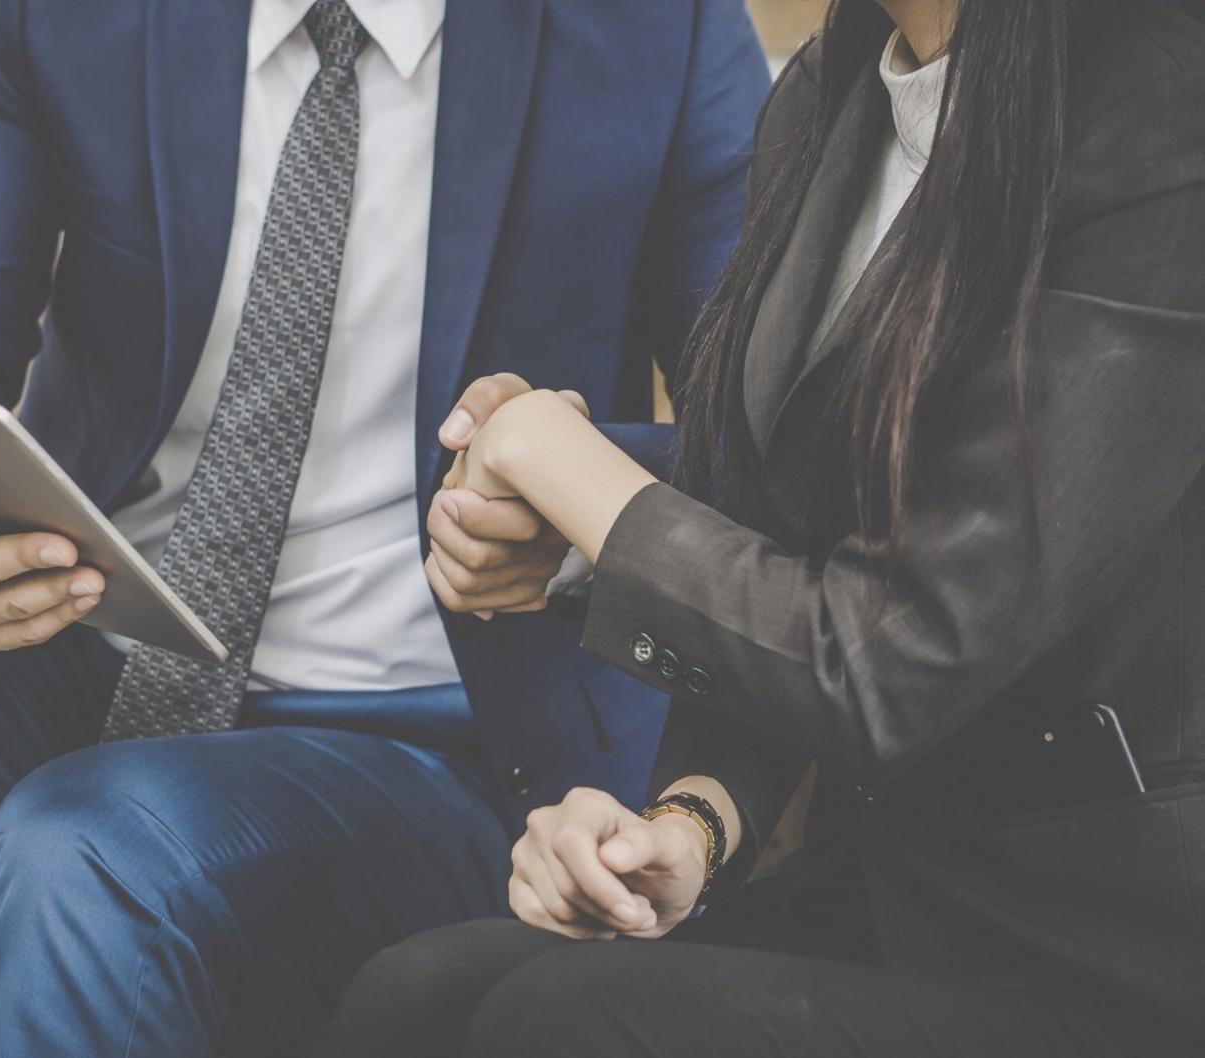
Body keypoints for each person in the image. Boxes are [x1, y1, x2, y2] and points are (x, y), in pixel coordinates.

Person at [0, 0, 771, 1055]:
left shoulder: (656, 30)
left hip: (441, 743)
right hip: (85, 661)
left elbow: (763, 445)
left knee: (86, 844)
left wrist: (574, 506)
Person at [312, 0, 1205, 1055]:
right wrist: (689, 828)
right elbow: (801, 527)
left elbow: (886, 652)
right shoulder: (833, 91)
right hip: (897, 887)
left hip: (1111, 948)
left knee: (560, 1022)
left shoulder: (1159, 107)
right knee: (416, 996)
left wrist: (567, 467)